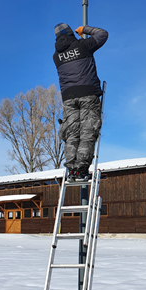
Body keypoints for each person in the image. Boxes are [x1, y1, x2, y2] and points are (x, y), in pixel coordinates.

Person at [53, 23, 108, 182]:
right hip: (88, 93)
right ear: (71, 33)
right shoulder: (83, 46)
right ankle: (82, 169)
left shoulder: (56, 56)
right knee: (87, 131)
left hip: (68, 98)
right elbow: (102, 34)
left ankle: (72, 171)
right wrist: (84, 29)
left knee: (72, 134)